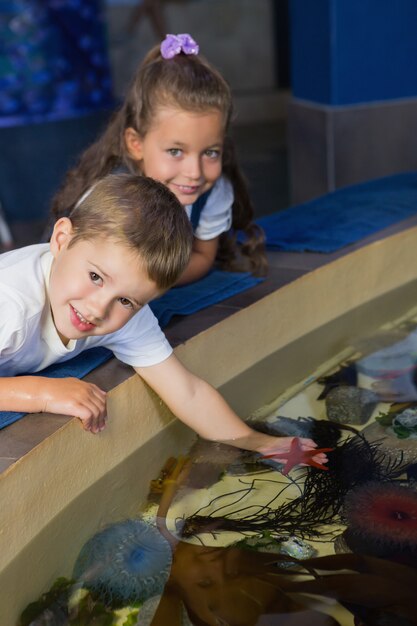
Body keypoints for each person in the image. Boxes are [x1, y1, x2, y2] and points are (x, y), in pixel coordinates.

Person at [0, 174, 325, 466]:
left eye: (126, 300)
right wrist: (41, 393)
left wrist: (260, 443)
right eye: (96, 276)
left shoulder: (124, 312)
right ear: (61, 240)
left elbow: (188, 393)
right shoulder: (12, 303)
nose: (99, 309)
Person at [50, 33, 267, 285]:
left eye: (210, 152)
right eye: (175, 151)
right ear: (136, 144)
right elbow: (79, 269)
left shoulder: (212, 192)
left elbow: (202, 256)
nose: (194, 171)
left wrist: (148, 285)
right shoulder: (109, 196)